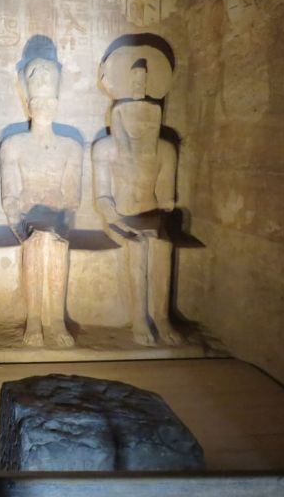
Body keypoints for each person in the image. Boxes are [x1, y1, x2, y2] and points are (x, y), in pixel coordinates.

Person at [93, 39, 182, 346]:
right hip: (119, 219)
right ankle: (139, 319)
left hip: (151, 218)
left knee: (162, 246)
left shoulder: (164, 150)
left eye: (145, 119)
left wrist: (163, 210)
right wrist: (118, 218)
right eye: (132, 118)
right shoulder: (106, 149)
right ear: (118, 117)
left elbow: (166, 200)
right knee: (138, 247)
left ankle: (162, 317)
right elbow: (102, 198)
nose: (139, 125)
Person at [0, 56, 83, 347]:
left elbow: (72, 199)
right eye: (38, 102)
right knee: (37, 242)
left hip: (57, 221)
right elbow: (10, 198)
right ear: (28, 105)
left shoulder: (71, 147)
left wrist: (62, 224)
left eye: (50, 102)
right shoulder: (13, 145)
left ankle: (56, 320)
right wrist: (20, 225)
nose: (45, 108)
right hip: (25, 221)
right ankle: (34, 318)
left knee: (54, 242)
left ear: (57, 104)